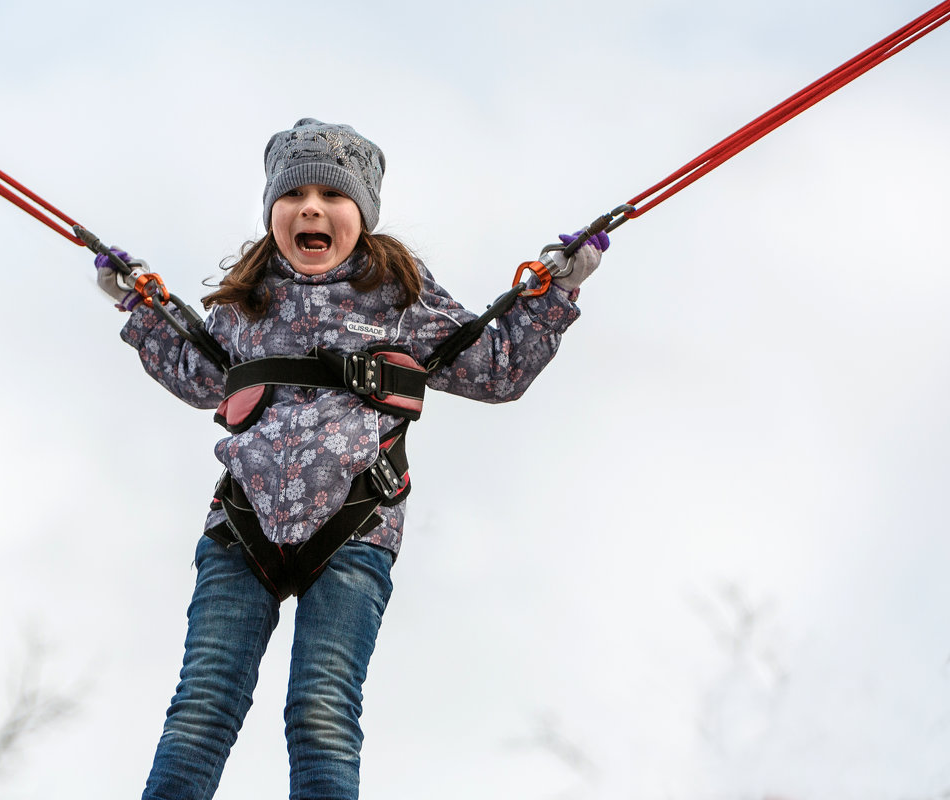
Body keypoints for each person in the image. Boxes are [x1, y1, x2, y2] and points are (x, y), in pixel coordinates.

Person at [94, 118, 609, 800]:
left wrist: (557, 292)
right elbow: (197, 373)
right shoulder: (244, 304)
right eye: (294, 195)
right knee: (200, 709)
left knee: (321, 713)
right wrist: (142, 306)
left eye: (332, 196)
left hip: (355, 525)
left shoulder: (400, 295)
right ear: (272, 213)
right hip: (242, 525)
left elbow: (496, 370)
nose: (312, 207)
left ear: (361, 216)